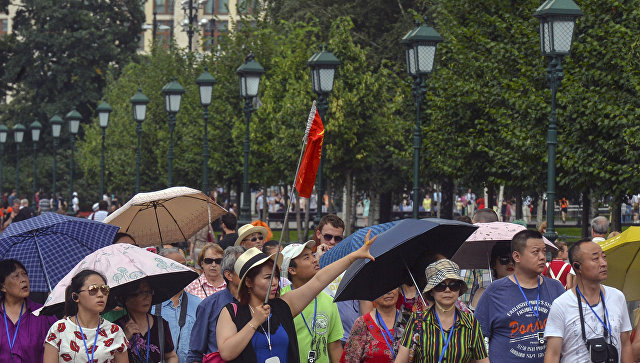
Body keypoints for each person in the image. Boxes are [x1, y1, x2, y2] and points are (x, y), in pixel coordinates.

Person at [215, 231, 376, 362]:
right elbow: (227, 353)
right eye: (267, 278)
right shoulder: (231, 312)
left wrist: (354, 256)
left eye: (276, 276)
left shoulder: (283, 305)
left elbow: (320, 280)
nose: (275, 282)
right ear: (249, 282)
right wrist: (255, 322)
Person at [475, 229, 565, 363]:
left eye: (544, 251)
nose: (542, 257)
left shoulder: (556, 288)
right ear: (516, 257)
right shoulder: (494, 292)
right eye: (535, 252)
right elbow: (476, 338)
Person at [543, 240, 633, 362]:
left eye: (604, 257)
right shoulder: (561, 304)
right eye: (595, 259)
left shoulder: (617, 297)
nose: (603, 263)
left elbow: (625, 344)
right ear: (576, 266)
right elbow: (553, 354)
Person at [395, 259, 488, 362]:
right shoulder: (417, 320)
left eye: (453, 285)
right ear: (431, 291)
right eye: (440, 286)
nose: (447, 290)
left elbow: (483, 359)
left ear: (459, 290)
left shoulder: (471, 322)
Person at [44, 269, 128, 362]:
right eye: (93, 289)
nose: (100, 294)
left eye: (104, 289)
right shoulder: (59, 329)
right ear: (75, 296)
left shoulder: (115, 331)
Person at [281, 241, 344, 363]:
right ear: (292, 270)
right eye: (306, 258)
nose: (314, 260)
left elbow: (335, 345)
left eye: (313, 255)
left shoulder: (329, 301)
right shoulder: (281, 300)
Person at [314, 214, 372, 345]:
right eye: (328, 237)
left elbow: (364, 300)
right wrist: (319, 261)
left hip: (350, 336)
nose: (332, 242)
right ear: (318, 234)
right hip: (320, 334)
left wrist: (368, 333)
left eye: (338, 238)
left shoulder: (352, 262)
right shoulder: (310, 262)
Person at [188, 246, 245, 363]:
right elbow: (195, 353)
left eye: (218, 261)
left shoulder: (258, 303)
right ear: (229, 275)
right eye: (243, 269)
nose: (249, 274)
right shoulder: (209, 305)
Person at [0, 259, 57, 362]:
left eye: (24, 274)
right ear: (3, 287)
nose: (23, 279)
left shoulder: (43, 314)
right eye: (16, 276)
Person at [153, 248, 202, 363]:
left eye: (184, 266)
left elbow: (202, 343)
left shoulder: (197, 304)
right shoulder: (151, 304)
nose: (183, 271)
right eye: (175, 266)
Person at [114, 279, 178, 363]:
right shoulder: (115, 329)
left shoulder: (160, 324)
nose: (146, 297)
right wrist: (123, 339)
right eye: (139, 293)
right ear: (125, 299)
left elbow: (171, 356)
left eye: (149, 292)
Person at [341, 288, 400, 362]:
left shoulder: (409, 321)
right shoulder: (362, 323)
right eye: (382, 286)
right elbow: (349, 360)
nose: (389, 292)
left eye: (392, 286)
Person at [469, 242, 514, 310]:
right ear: (493, 264)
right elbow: (475, 319)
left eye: (514, 260)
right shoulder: (484, 293)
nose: (510, 263)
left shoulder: (528, 290)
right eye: (504, 259)